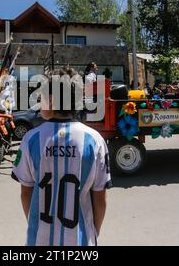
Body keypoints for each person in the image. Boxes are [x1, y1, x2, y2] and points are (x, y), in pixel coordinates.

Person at [12, 67, 111, 246]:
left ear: (51, 100)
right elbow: (100, 199)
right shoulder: (94, 140)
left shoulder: (31, 139)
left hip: (40, 239)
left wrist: (36, 225)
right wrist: (93, 233)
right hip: (81, 240)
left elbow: (26, 193)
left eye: (40, 98)